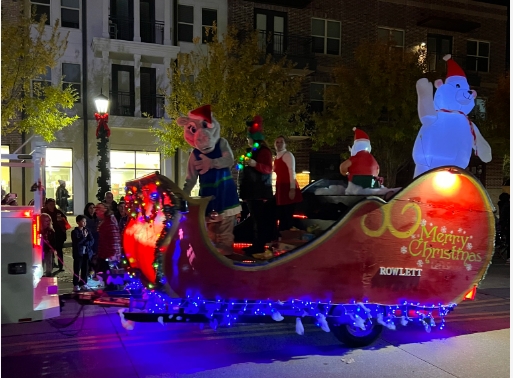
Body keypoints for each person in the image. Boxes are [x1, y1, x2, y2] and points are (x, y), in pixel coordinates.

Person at [238, 115, 274, 256]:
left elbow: (267, 169)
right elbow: (241, 168)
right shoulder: (250, 152)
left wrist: (254, 164)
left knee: (259, 220)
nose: (247, 140)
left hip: (258, 192)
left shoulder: (264, 152)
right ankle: (256, 244)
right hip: (250, 191)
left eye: (249, 138)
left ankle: (259, 245)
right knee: (254, 219)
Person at [273, 136, 303, 232]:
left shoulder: (288, 155)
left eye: (281, 142)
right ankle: (282, 234)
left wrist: (292, 188)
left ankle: (287, 234)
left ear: (285, 144)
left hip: (287, 185)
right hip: (280, 186)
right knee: (281, 213)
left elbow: (292, 171)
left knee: (287, 213)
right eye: (277, 142)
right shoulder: (276, 157)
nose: (279, 144)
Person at [95, 202, 121, 280]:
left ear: (105, 210)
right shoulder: (105, 220)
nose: (96, 211)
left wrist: (112, 253)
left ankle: (111, 287)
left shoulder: (109, 221)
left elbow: (114, 238)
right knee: (105, 273)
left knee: (109, 274)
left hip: (109, 253)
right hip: (105, 252)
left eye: (98, 209)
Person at [42, 198, 68, 271]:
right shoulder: (45, 212)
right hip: (49, 235)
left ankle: (60, 266)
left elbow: (65, 220)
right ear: (47, 205)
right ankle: (51, 265)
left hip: (59, 234)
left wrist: (62, 219)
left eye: (53, 204)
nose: (52, 206)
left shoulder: (58, 212)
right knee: (50, 251)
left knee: (59, 250)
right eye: (50, 204)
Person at [71, 215, 94, 292]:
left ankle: (83, 283)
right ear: (78, 222)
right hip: (78, 253)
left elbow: (91, 240)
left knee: (85, 269)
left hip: (86, 253)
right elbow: (77, 242)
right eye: (83, 221)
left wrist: (86, 242)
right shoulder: (74, 232)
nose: (84, 223)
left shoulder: (87, 230)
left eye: (85, 221)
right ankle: (76, 284)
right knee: (77, 269)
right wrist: (84, 237)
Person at [40, 213, 57, 277]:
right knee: (41, 262)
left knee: (49, 262)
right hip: (41, 250)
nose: (48, 222)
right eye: (46, 221)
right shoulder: (40, 231)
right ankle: (41, 274)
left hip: (49, 250)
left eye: (49, 221)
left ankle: (49, 273)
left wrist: (53, 248)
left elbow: (54, 241)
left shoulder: (51, 231)